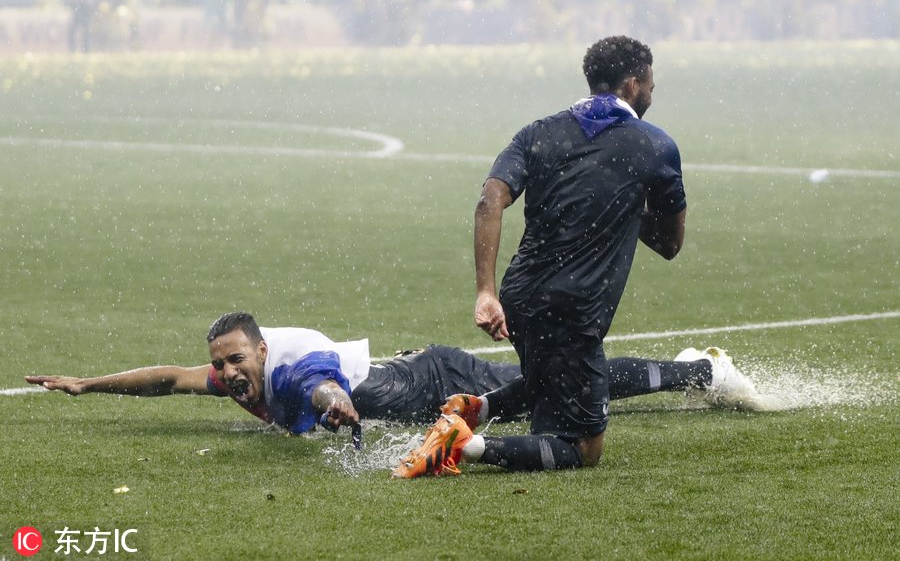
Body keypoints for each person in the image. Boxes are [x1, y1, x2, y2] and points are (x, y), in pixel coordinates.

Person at [394, 35, 691, 478]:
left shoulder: (539, 131)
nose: (652, 92)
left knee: (553, 381)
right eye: (650, 84)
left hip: (519, 298)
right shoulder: (654, 146)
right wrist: (627, 203)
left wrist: (485, 292)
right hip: (572, 310)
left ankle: (476, 407)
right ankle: (464, 444)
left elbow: (490, 198)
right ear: (632, 85)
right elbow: (670, 244)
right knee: (582, 446)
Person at [25, 312, 763, 441]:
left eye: (233, 362)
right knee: (555, 390)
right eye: (221, 364)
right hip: (418, 380)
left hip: (432, 378)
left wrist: (337, 406)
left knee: (560, 388)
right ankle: (693, 374)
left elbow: (322, 387)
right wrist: (89, 384)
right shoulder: (235, 378)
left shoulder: (289, 374)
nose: (223, 374)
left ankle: (696, 371)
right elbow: (168, 379)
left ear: (259, 354)